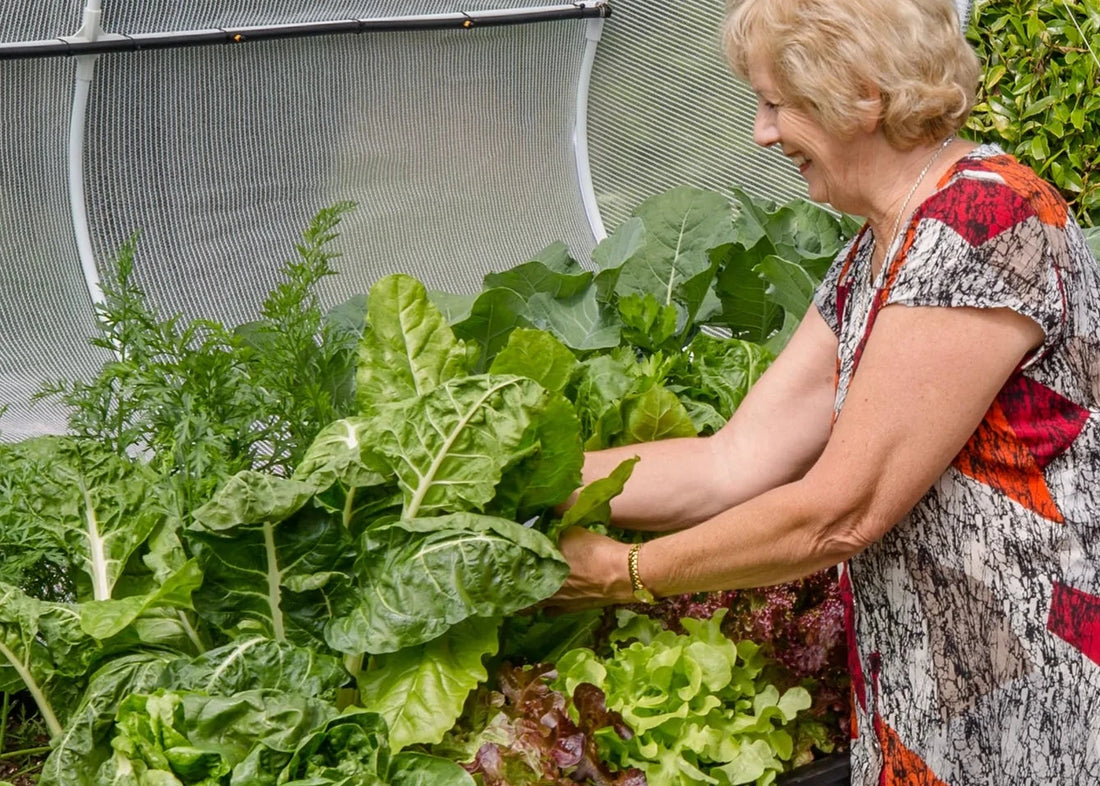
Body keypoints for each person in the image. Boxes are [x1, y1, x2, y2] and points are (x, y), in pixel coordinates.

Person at [546, 0, 1100, 782]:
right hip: (930, 690)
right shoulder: (874, 257)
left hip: (1029, 696)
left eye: (777, 104)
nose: (761, 133)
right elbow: (729, 463)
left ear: (860, 95)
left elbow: (843, 509)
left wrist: (623, 574)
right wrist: (534, 488)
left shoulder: (986, 218)